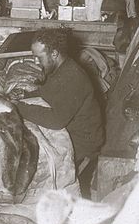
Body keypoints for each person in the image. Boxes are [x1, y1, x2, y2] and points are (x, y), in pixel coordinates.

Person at [14, 28, 104, 173]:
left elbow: (56, 120)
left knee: (26, 159)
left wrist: (18, 108)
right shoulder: (60, 69)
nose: (36, 62)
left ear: (54, 54)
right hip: (73, 134)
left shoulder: (73, 76)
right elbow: (49, 92)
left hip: (82, 144)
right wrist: (24, 95)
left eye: (39, 57)